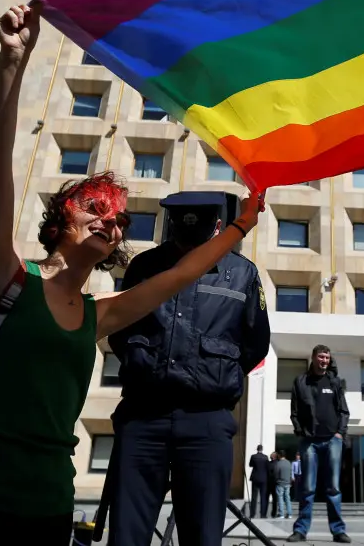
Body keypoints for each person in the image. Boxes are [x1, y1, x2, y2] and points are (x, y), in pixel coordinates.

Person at [0, 3, 264, 546]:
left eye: (118, 220)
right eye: (95, 206)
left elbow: (182, 273)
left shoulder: (101, 314)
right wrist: (11, 64)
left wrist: (240, 227)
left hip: (46, 502)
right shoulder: (4, 276)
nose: (109, 222)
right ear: (60, 218)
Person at [107, 189, 270, 546]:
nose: (187, 226)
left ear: (216, 224)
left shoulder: (242, 273)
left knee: (202, 535)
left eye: (196, 219)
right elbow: (119, 329)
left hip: (207, 419)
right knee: (126, 534)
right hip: (142, 416)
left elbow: (256, 341)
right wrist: (144, 364)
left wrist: (215, 375)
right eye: (181, 219)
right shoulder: (144, 266)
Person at [289, 345, 351, 543]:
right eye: (321, 357)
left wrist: (340, 433)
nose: (324, 360)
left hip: (333, 440)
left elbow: (343, 411)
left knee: (333, 487)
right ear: (313, 358)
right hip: (309, 442)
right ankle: (300, 530)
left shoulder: (335, 382)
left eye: (327, 357)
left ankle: (338, 530)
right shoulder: (301, 381)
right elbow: (295, 411)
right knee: (307, 488)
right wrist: (300, 431)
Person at [249, 445, 271, 519]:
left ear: (257, 449)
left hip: (255, 478)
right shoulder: (265, 457)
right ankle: (263, 514)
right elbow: (267, 467)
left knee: (254, 497)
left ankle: (252, 514)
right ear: (262, 449)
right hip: (263, 479)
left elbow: (250, 464)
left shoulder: (253, 456)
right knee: (263, 497)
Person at [273, 450, 293, 519]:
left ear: (279, 455)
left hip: (280, 483)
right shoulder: (289, 463)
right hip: (288, 483)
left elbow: (275, 474)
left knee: (280, 498)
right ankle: (289, 514)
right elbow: (291, 473)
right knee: (288, 498)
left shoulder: (278, 464)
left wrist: (276, 480)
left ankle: (281, 514)